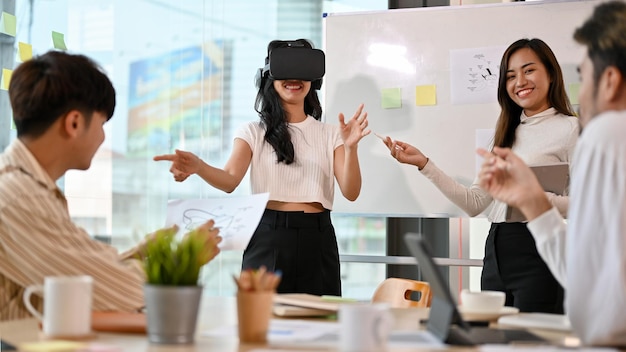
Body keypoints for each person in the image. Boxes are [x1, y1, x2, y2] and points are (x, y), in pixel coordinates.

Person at [0, 51, 222, 321]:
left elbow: (79, 267)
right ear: (74, 123)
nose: (103, 137)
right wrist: (185, 258)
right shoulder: (18, 196)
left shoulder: (27, 187)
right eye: (102, 123)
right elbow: (110, 291)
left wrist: (142, 252)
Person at [154, 39, 370, 296]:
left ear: (314, 80)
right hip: (268, 233)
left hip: (318, 237)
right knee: (260, 319)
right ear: (269, 77)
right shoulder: (253, 132)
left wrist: (351, 147)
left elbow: (351, 191)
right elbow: (230, 179)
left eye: (302, 71)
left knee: (322, 320)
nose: (294, 78)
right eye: (285, 71)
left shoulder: (331, 133)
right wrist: (199, 166)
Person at [380, 38, 579, 313]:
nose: (520, 81)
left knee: (531, 341)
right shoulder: (505, 134)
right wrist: (424, 164)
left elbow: (588, 205)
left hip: (540, 251)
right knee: (493, 337)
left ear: (551, 73)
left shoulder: (571, 129)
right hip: (496, 250)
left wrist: (533, 199)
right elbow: (474, 204)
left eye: (529, 70)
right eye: (510, 76)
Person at [477, 1, 626, 346]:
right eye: (511, 75)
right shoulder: (506, 131)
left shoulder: (603, 134)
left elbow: (596, 305)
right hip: (503, 246)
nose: (581, 93)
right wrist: (534, 202)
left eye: (584, 76)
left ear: (610, 82)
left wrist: (539, 202)